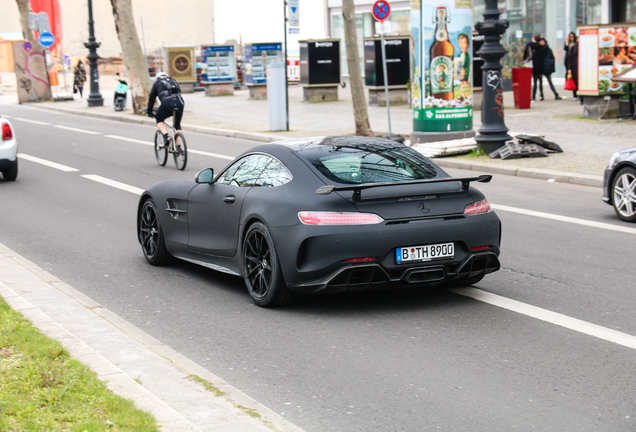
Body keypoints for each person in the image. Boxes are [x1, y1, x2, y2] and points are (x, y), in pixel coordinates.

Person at [147, 71, 184, 147]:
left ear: (157, 79)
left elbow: (151, 100)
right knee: (177, 125)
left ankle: (167, 137)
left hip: (167, 103)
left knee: (159, 119)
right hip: (180, 102)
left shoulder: (157, 83)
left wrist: (149, 112)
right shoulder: (173, 81)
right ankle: (179, 147)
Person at [523, 34, 547, 101]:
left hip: (532, 65)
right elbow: (543, 59)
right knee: (540, 81)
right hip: (539, 67)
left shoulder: (529, 45)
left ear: (533, 38)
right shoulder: (541, 47)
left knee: (534, 82)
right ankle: (542, 95)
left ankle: (533, 96)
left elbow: (525, 55)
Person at [564, 32, 579, 101]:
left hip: (576, 64)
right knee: (573, 78)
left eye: (573, 37)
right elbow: (566, 49)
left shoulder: (577, 44)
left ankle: (578, 94)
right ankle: (575, 94)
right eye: (570, 37)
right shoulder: (571, 46)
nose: (572, 38)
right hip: (571, 63)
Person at [455, 33, 471, 98]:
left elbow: (467, 64)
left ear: (468, 44)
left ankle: (467, 95)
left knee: (465, 83)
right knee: (462, 83)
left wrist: (465, 70)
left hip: (465, 72)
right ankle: (463, 95)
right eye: (461, 43)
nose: (463, 45)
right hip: (460, 71)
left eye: (465, 43)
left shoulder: (467, 56)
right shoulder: (459, 55)